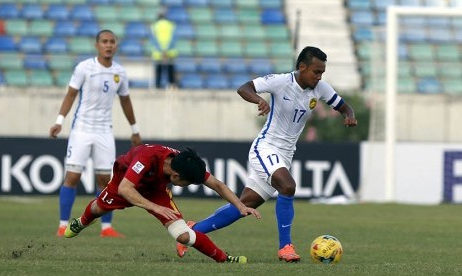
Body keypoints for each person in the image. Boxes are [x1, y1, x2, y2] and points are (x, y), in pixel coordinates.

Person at [176, 46, 358, 262]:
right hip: (266, 147)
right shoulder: (281, 82)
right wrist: (259, 100)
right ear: (302, 67)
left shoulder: (320, 88)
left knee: (245, 204)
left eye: (322, 73)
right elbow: (244, 88)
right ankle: (285, 247)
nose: (319, 77)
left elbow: (343, 106)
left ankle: (193, 231)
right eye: (316, 72)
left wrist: (349, 115)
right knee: (288, 186)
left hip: (286, 154)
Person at [64, 145, 261, 264]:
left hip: (156, 190)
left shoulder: (184, 163)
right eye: (187, 183)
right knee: (98, 208)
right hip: (124, 182)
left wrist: (240, 206)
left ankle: (224, 259)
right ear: (175, 176)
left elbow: (217, 184)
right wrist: (155, 207)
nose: (187, 186)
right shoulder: (147, 158)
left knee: (183, 235)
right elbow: (126, 189)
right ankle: (80, 222)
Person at [49, 30, 142, 238]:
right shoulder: (84, 68)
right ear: (97, 45)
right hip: (81, 129)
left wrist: (134, 129)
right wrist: (59, 121)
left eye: (112, 42)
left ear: (116, 45)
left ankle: (106, 228)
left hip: (104, 132)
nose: (108, 45)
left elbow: (125, 101)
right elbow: (71, 94)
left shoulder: (120, 72)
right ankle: (63, 224)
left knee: (106, 180)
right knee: (72, 176)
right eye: (104, 42)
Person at [150, 12, 178, 89]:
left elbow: (154, 40)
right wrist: (166, 50)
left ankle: (158, 87)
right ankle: (172, 87)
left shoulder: (154, 26)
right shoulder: (171, 25)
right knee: (170, 72)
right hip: (170, 53)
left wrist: (161, 51)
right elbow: (173, 39)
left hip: (158, 54)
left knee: (158, 72)